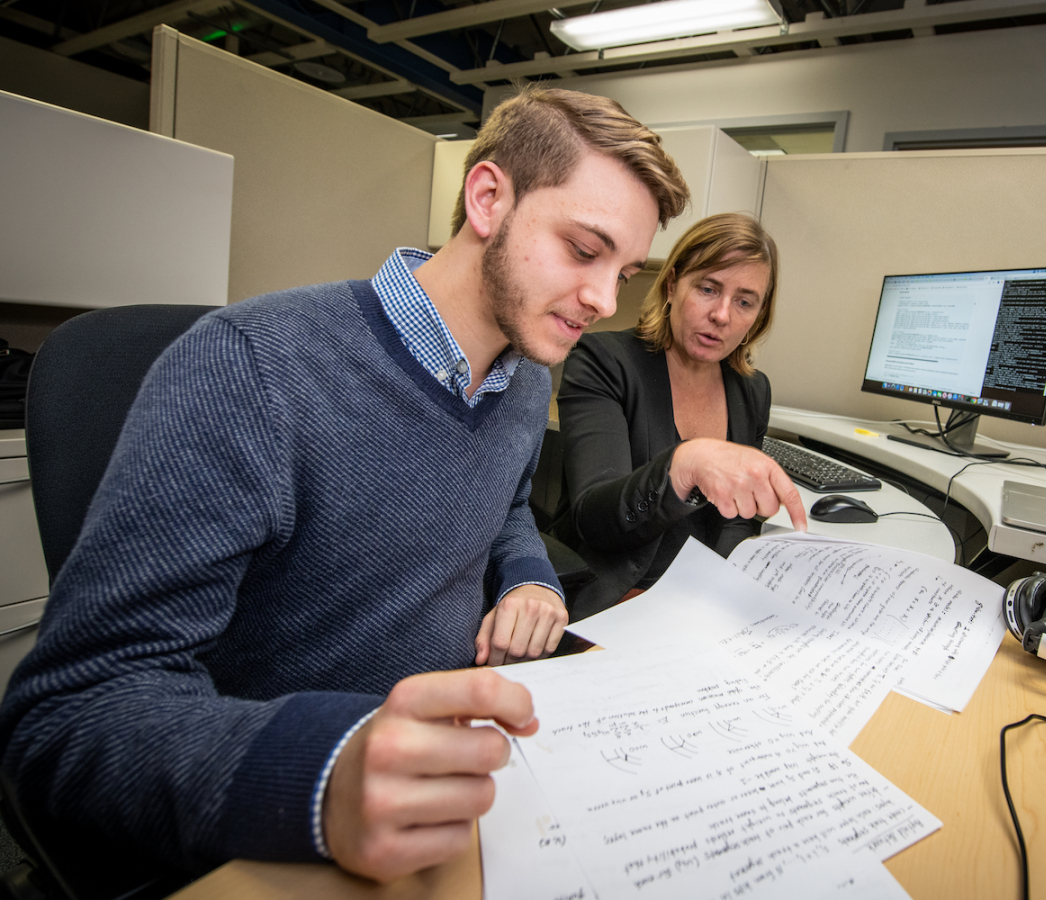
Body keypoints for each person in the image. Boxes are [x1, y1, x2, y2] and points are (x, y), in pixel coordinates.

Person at [0, 85, 689, 887]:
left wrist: (530, 577)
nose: (607, 300)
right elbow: (69, 712)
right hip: (287, 816)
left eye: (626, 270)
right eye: (582, 250)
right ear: (489, 197)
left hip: (456, 784)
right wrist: (321, 773)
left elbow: (501, 502)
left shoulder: (526, 372)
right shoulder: (249, 368)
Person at [550, 213, 806, 620]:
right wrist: (683, 466)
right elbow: (593, 520)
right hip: (619, 598)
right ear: (672, 284)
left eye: (744, 301)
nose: (722, 315)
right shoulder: (604, 362)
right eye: (708, 288)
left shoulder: (752, 390)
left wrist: (722, 593)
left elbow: (736, 523)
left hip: (702, 604)